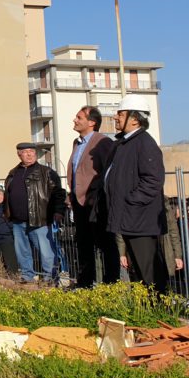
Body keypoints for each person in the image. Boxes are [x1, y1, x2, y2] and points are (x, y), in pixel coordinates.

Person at [105, 94, 167, 290]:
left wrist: (130, 201)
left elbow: (153, 180)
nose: (116, 117)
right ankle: (144, 306)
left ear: (134, 119)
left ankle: (157, 306)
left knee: (148, 273)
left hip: (140, 221)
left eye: (121, 114)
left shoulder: (144, 143)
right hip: (131, 219)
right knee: (138, 274)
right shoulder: (125, 143)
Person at [66, 106, 118, 287]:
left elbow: (108, 172)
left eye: (79, 117)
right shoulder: (77, 143)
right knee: (83, 245)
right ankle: (85, 284)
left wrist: (96, 196)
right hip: (79, 203)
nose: (75, 120)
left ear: (92, 122)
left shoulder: (102, 142)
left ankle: (111, 285)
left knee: (105, 244)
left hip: (96, 203)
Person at [4, 142, 66, 284]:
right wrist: (6, 212)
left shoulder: (46, 172)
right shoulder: (13, 173)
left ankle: (50, 278)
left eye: (32, 151)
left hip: (40, 219)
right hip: (18, 220)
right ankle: (27, 276)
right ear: (19, 154)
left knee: (46, 251)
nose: (30, 154)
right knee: (22, 251)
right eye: (26, 152)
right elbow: (7, 194)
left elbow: (58, 193)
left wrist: (58, 211)